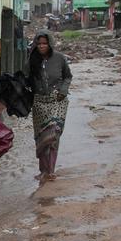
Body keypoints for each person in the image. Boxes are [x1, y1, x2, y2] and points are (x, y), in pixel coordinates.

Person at [27, 32, 72, 181]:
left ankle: (51, 170)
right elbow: (27, 81)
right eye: (39, 44)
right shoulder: (31, 60)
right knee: (41, 138)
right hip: (39, 102)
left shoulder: (59, 58)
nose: (41, 46)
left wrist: (63, 90)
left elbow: (68, 76)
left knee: (53, 134)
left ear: (50, 44)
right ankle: (43, 170)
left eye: (44, 44)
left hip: (57, 100)